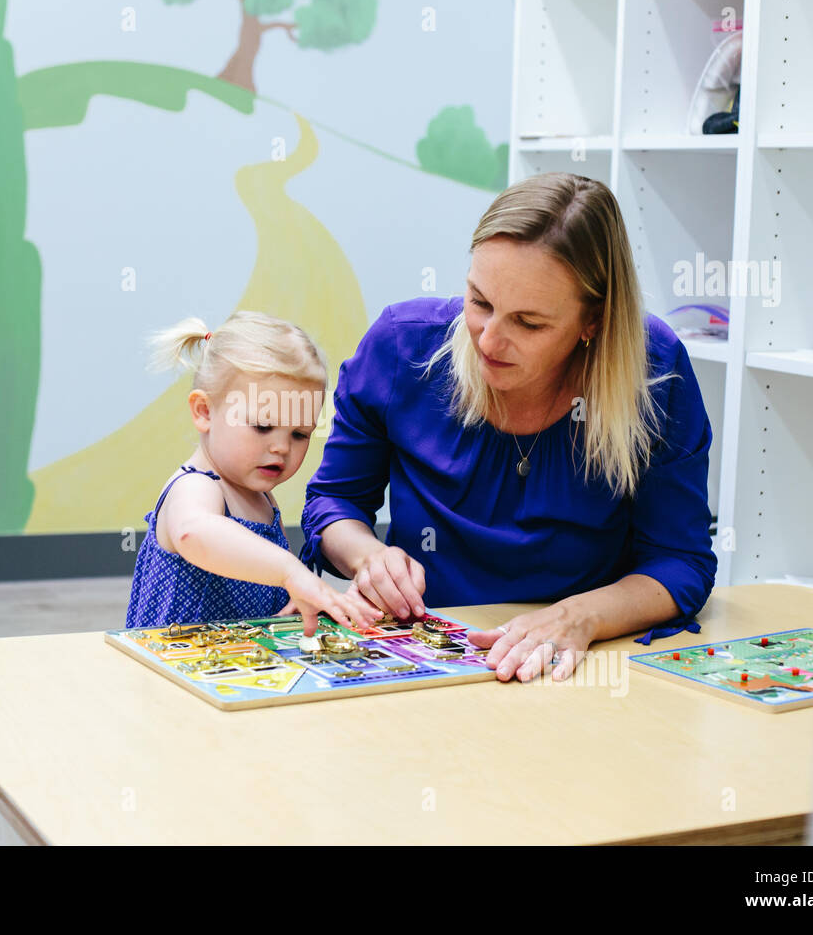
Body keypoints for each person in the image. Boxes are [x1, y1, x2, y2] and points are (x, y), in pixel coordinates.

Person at [299, 172, 719, 683]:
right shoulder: (399, 347)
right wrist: (368, 558)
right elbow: (333, 504)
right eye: (479, 302)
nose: (489, 342)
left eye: (529, 322)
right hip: (423, 658)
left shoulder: (654, 371)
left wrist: (579, 617)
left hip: (574, 668)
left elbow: (679, 561)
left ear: (594, 322)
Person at [126, 311, 380, 635]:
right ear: (204, 411)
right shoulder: (196, 486)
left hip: (236, 671)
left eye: (299, 434)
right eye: (263, 426)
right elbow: (194, 533)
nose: (281, 448)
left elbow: (265, 588)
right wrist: (291, 571)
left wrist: (299, 601)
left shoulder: (263, 499)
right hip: (171, 670)